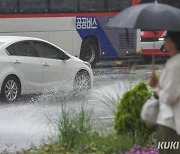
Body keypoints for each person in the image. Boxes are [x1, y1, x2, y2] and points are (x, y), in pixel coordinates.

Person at [149, 31, 180, 154]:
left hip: (171, 124)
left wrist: (157, 89)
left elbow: (169, 97)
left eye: (166, 38)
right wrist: (157, 83)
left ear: (173, 41)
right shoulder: (174, 62)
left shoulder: (175, 65)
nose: (164, 41)